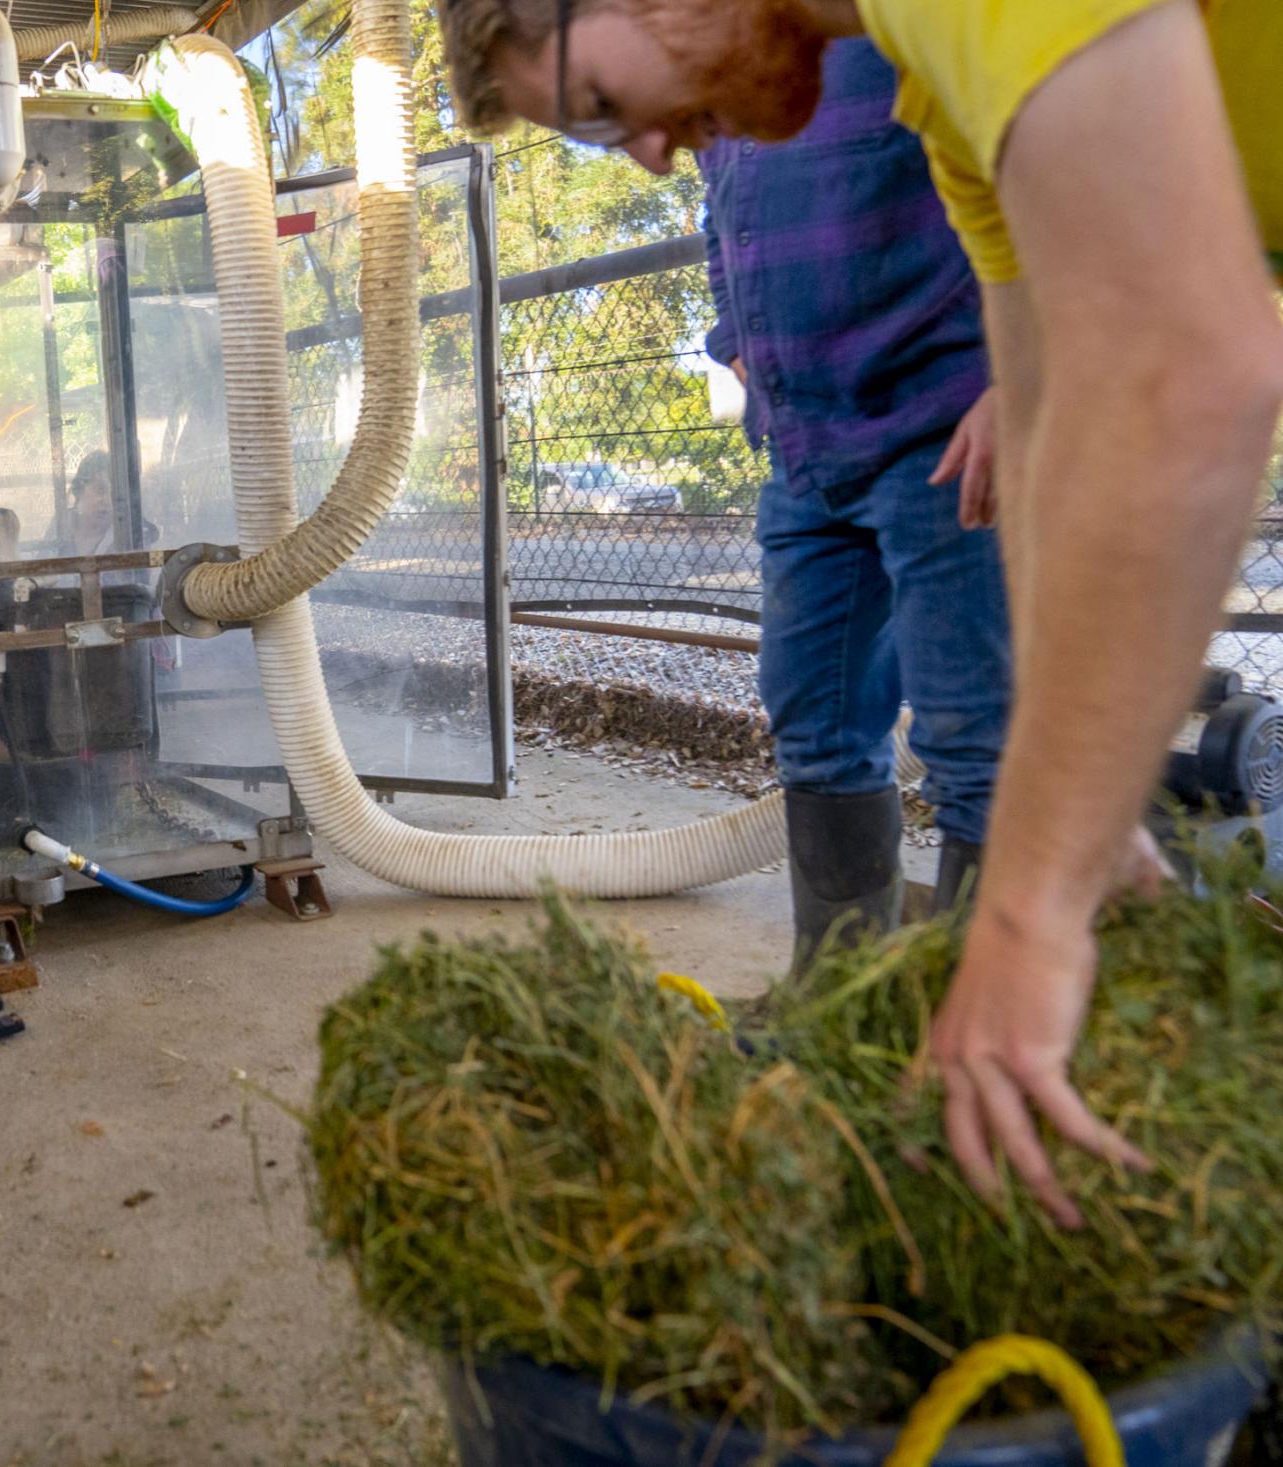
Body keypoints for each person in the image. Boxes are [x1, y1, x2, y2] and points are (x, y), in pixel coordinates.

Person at [432, 0, 1283, 1228]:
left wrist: (1032, 916)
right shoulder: (940, 101)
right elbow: (1049, 411)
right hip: (823, 439)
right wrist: (1084, 818)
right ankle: (884, 1001)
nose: (647, 156)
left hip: (918, 435)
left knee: (986, 781)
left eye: (605, 108)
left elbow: (1186, 378)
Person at [698, 36, 1009, 972]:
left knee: (977, 737)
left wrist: (1024, 374)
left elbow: (1024, 162)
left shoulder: (895, 25)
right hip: (803, 447)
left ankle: (978, 1030)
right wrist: (733, 331)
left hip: (943, 429)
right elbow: (721, 221)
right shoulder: (723, 61)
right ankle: (836, 1001)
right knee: (814, 719)